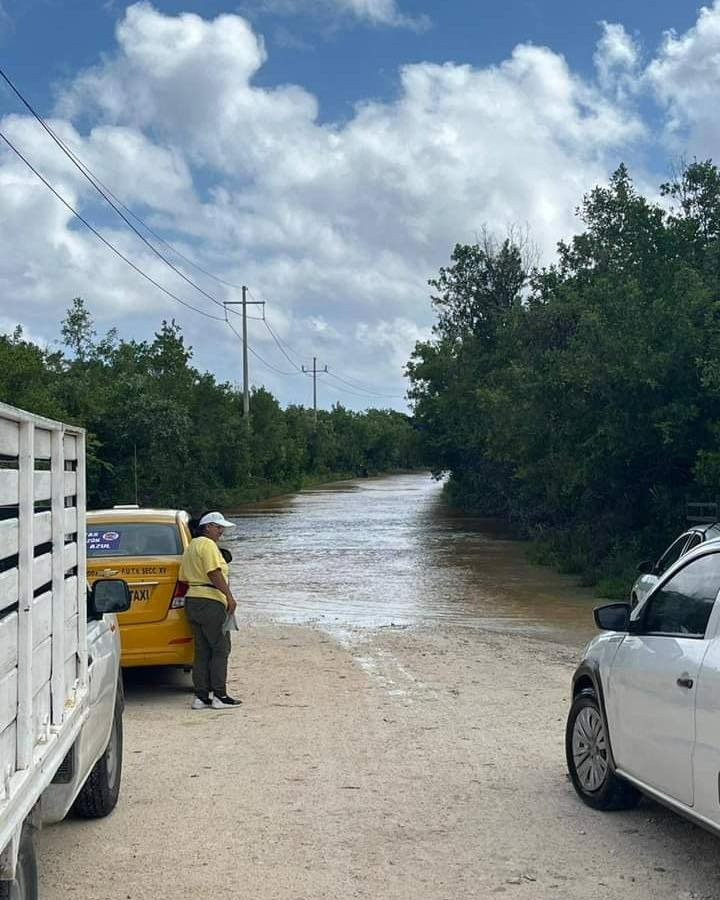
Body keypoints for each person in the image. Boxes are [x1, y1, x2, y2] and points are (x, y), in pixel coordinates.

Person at [180, 511, 241, 709]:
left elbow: (183, 577)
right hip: (211, 602)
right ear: (207, 527)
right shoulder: (207, 545)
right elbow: (213, 572)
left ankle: (201, 697)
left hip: (193, 600)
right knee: (221, 649)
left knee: (202, 650)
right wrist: (229, 597)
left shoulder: (191, 546)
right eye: (218, 527)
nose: (221, 531)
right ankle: (220, 696)